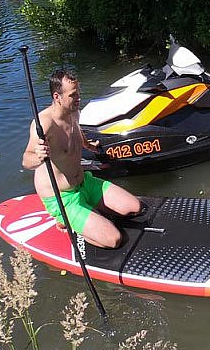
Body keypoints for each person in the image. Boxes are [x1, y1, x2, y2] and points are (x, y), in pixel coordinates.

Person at [22, 68, 142, 248]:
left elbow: (75, 134)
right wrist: (38, 155)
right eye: (73, 95)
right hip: (62, 197)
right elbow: (26, 160)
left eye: (79, 93)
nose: (78, 98)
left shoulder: (74, 112)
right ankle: (66, 220)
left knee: (134, 207)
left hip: (84, 182)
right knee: (114, 239)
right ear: (57, 97)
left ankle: (89, 209)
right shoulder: (44, 124)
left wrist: (88, 145)